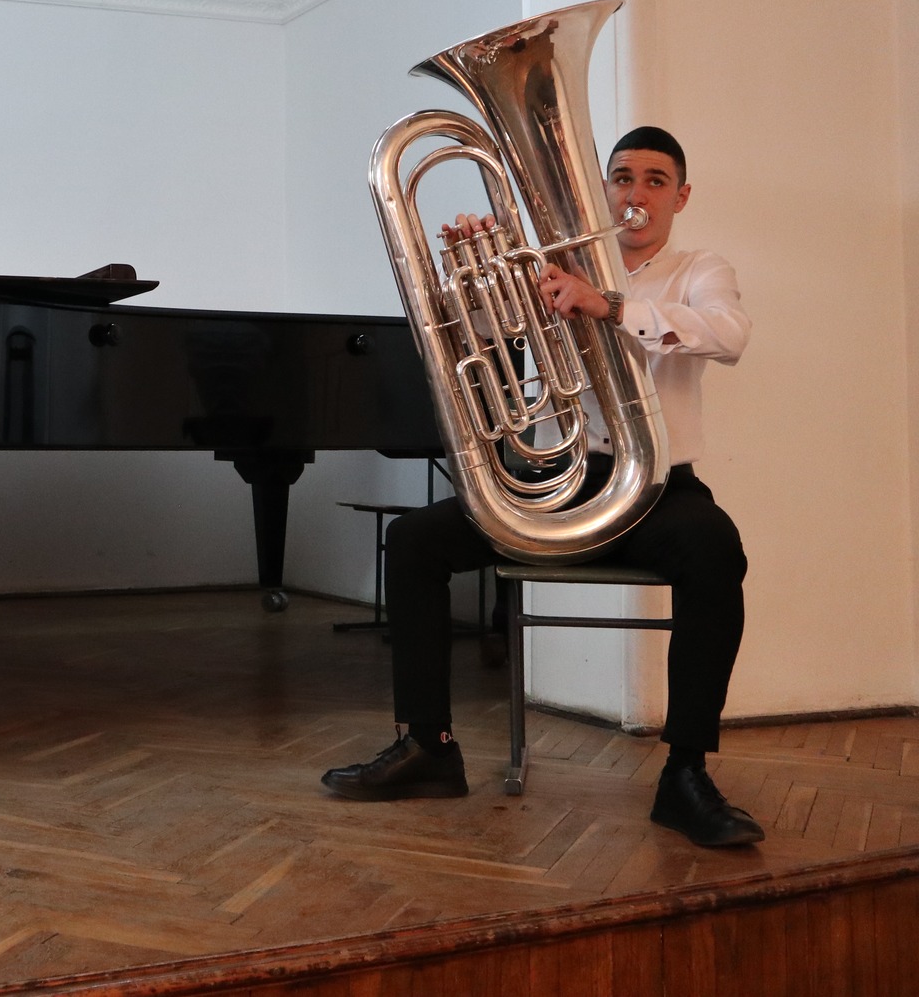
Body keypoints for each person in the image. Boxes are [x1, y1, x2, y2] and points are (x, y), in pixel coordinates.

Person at [322, 127, 761, 848]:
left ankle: (685, 774)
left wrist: (610, 305)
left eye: (655, 181)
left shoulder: (699, 269)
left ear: (680, 197)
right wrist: (474, 272)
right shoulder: (552, 266)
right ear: (604, 188)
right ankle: (429, 746)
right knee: (414, 541)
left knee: (717, 550)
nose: (636, 193)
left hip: (657, 488)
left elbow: (729, 334)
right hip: (558, 481)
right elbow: (475, 334)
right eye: (622, 177)